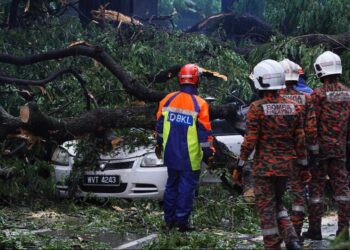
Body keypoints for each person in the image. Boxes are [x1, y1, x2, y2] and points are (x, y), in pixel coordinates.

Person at [238, 59, 307, 250]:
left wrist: (240, 164)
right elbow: (300, 139)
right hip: (287, 167)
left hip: (265, 170)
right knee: (277, 203)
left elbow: (250, 141)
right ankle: (292, 240)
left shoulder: (256, 108)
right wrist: (303, 165)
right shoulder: (294, 107)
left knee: (266, 209)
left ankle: (272, 245)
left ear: (261, 81)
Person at [155, 64, 215, 232]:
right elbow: (205, 135)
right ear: (196, 80)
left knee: (171, 187)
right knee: (186, 190)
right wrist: (209, 154)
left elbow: (159, 128)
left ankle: (169, 221)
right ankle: (182, 222)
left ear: (180, 79)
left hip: (171, 154)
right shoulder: (200, 104)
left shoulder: (167, 99)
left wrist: (159, 145)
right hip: (190, 156)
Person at [303, 51, 350, 240]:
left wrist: (311, 149)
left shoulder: (317, 96)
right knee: (343, 190)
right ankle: (344, 231)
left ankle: (315, 230)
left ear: (320, 70)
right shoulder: (348, 93)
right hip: (340, 149)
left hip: (320, 150)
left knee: (316, 190)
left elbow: (311, 125)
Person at [279, 59, 318, 239]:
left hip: (275, 155)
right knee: (298, 192)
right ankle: (296, 231)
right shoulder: (307, 97)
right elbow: (311, 130)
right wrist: (312, 153)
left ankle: (280, 231)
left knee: (274, 193)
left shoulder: (269, 99)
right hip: (300, 153)